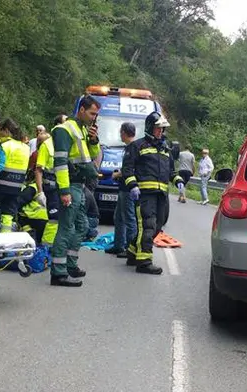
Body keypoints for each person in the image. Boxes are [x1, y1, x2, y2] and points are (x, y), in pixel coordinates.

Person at [121, 112, 183, 275]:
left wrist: (177, 180)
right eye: (158, 128)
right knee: (147, 225)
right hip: (144, 194)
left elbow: (171, 171)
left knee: (157, 226)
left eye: (162, 129)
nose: (160, 132)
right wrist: (133, 185)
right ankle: (144, 262)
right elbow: (127, 169)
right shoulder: (137, 146)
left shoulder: (165, 149)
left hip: (161, 194)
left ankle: (132, 252)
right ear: (150, 127)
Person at [49, 96, 101, 287]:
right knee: (67, 227)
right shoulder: (64, 130)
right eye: (92, 113)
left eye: (96, 114)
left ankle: (70, 265)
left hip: (79, 185)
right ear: (81, 110)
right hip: (69, 184)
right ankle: (58, 273)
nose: (94, 118)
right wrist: (64, 191)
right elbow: (60, 163)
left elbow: (91, 156)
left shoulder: (83, 130)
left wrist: (93, 140)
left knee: (82, 226)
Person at [33, 115, 68, 246]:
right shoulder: (47, 145)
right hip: (51, 188)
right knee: (54, 218)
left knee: (62, 220)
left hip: (63, 188)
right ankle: (46, 248)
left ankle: (55, 247)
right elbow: (38, 170)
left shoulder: (65, 144)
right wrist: (40, 192)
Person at [105, 122, 138, 257]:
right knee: (118, 217)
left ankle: (130, 249)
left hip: (128, 189)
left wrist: (117, 174)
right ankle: (119, 245)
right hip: (123, 187)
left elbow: (129, 169)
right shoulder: (130, 147)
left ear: (124, 132)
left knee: (129, 218)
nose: (120, 134)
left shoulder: (133, 148)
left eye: (120, 132)